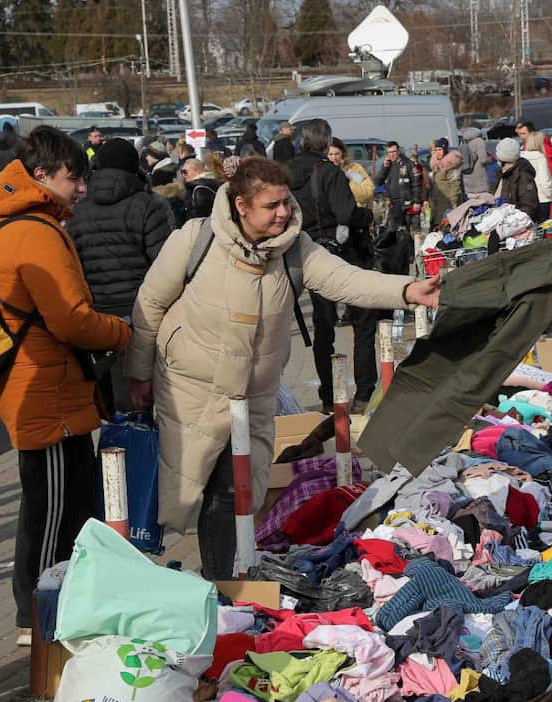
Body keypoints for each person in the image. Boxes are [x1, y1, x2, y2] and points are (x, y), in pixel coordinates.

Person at [126, 156, 439, 580]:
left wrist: (406, 290)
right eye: (271, 206)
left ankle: (226, 582)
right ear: (241, 206)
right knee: (191, 488)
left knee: (236, 491)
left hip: (254, 394)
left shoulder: (294, 248)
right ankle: (198, 579)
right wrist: (139, 374)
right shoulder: (194, 239)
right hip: (190, 388)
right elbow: (150, 305)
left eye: (286, 203)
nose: (283, 213)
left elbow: (346, 279)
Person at [0, 126, 132, 644]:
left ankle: (53, 607)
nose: (82, 189)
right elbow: (69, 319)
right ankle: (39, 615)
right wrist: (119, 331)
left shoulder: (19, 222)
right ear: (40, 176)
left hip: (45, 383)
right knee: (52, 509)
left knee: (57, 502)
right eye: (74, 178)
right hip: (44, 390)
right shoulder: (34, 231)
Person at [65, 140, 175, 416]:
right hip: (142, 317)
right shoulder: (150, 205)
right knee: (146, 404)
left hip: (94, 319)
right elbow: (167, 267)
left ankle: (114, 457)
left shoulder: (77, 212)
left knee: (109, 408)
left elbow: (71, 267)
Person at [288, 121, 381, 413]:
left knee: (324, 327)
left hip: (306, 253)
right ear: (326, 143)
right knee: (364, 323)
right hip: (342, 252)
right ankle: (364, 392)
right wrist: (367, 216)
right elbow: (345, 212)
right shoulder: (328, 172)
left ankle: (329, 397)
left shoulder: (285, 173)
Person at [376, 141, 422, 231]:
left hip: (407, 203)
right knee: (395, 232)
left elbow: (416, 184)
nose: (392, 155)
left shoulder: (408, 164)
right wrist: (385, 168)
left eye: (394, 152)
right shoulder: (387, 165)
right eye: (389, 152)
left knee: (412, 231)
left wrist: (417, 201)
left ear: (398, 151)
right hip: (393, 204)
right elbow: (378, 182)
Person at [493, 138, 538, 218]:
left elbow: (528, 205)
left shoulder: (523, 175)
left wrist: (512, 220)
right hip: (499, 221)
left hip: (513, 224)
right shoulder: (501, 172)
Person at [520, 132, 552, 223]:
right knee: (541, 229)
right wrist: (551, 195)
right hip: (541, 199)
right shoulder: (540, 158)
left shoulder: (520, 158)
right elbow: (545, 180)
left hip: (524, 199)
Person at [328, 138, 374, 207]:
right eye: (330, 154)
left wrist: (347, 178)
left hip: (354, 212)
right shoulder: (323, 171)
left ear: (343, 153)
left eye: (337, 154)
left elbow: (368, 193)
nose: (334, 158)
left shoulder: (355, 168)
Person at [428, 137, 463, 225]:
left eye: (440, 149)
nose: (438, 152)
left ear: (445, 149)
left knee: (449, 226)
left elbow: (455, 185)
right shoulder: (436, 166)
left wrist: (454, 203)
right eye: (436, 150)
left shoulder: (450, 164)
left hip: (449, 202)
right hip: (438, 201)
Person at [459, 127, 491, 198]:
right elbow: (483, 159)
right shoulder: (479, 141)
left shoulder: (464, 144)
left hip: (467, 180)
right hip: (480, 181)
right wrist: (490, 159)